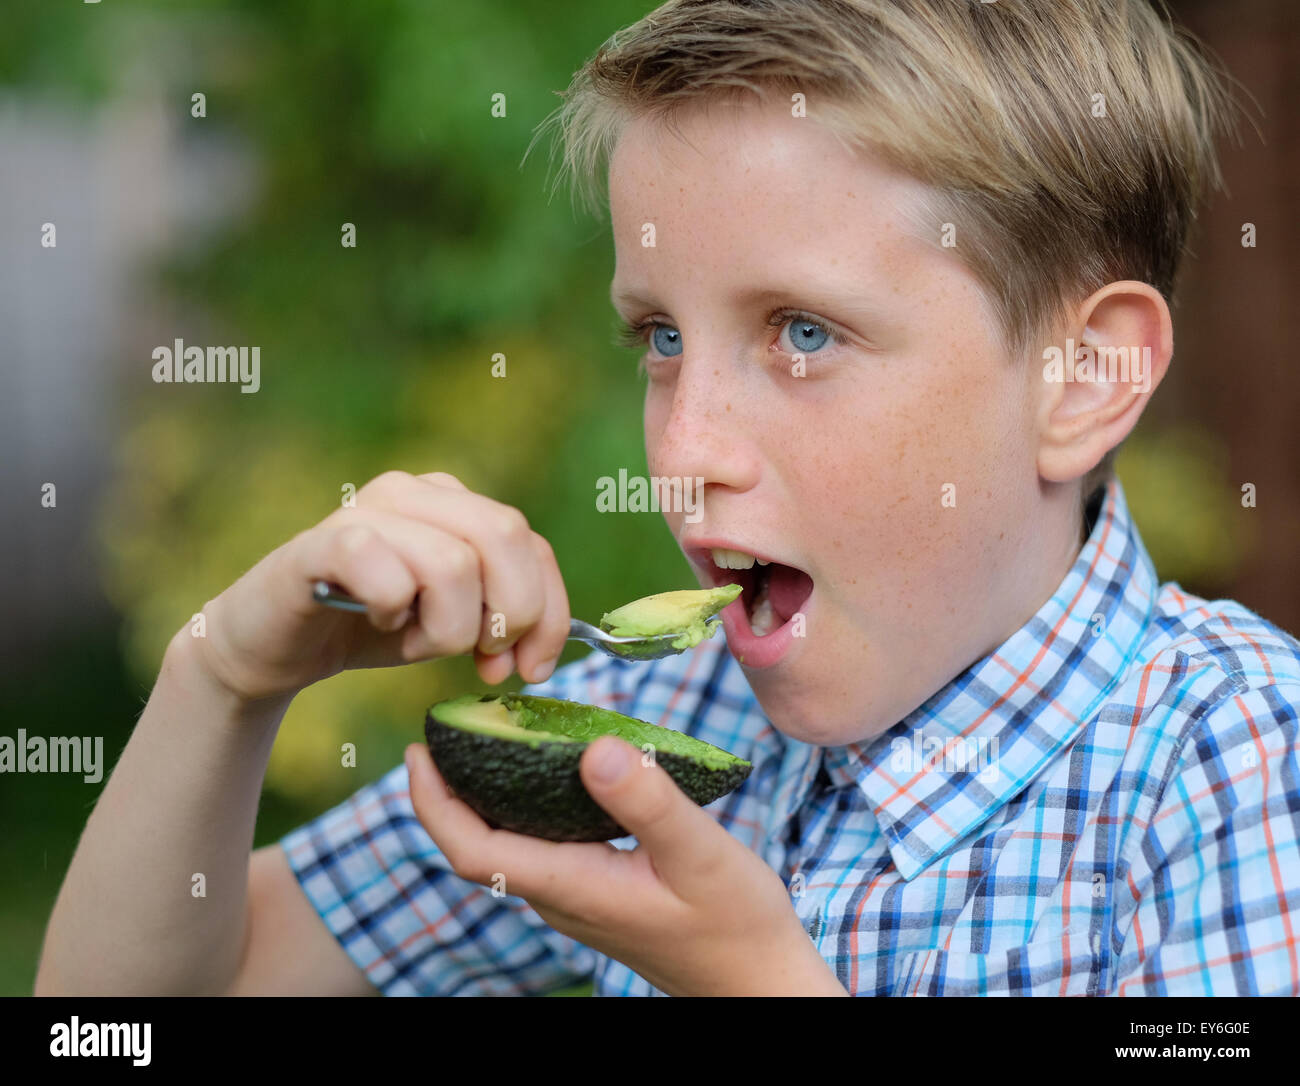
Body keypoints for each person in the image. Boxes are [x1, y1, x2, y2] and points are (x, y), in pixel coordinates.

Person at [35, 0, 1300, 996]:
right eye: (657, 338)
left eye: (803, 332)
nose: (687, 445)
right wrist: (225, 679)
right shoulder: (648, 716)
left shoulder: (1233, 765)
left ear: (1080, 379)